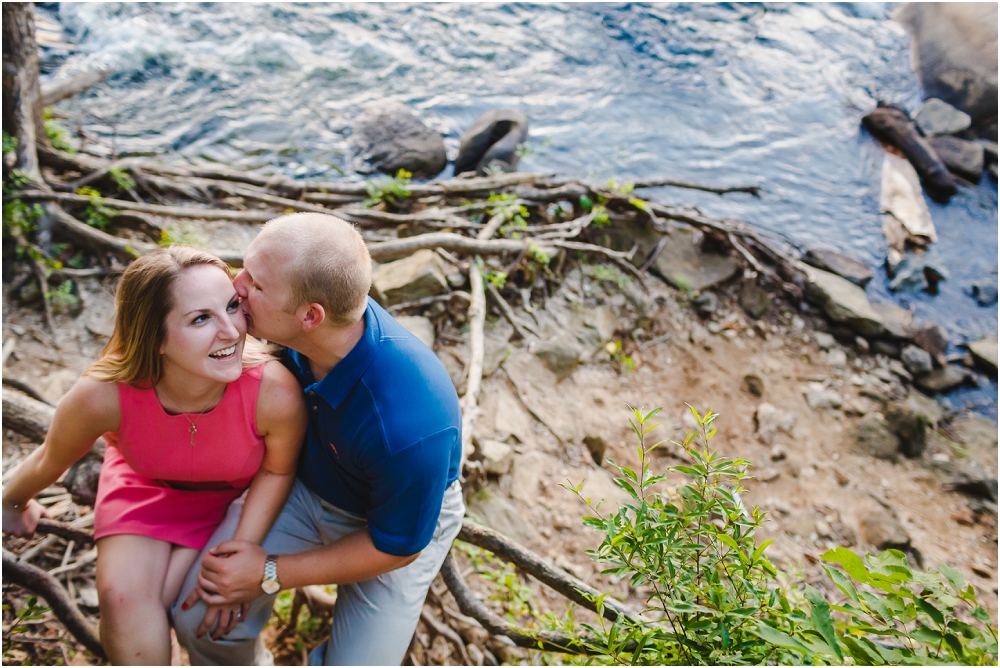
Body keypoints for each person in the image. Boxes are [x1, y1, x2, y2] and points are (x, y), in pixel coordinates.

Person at [172, 213, 465, 665]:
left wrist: (268, 573)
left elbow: (397, 546)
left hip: (384, 526)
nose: (237, 284)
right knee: (199, 617)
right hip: (302, 486)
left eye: (258, 284)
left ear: (311, 316)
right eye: (244, 266)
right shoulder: (289, 336)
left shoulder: (408, 424)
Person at [1, 247, 307, 665]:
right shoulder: (102, 396)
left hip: (234, 502)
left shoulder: (273, 390)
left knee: (180, 604)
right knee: (121, 600)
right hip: (144, 492)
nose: (233, 332)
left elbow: (278, 469)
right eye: (201, 318)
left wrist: (241, 551)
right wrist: (12, 501)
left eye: (232, 306)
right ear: (156, 337)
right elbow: (50, 458)